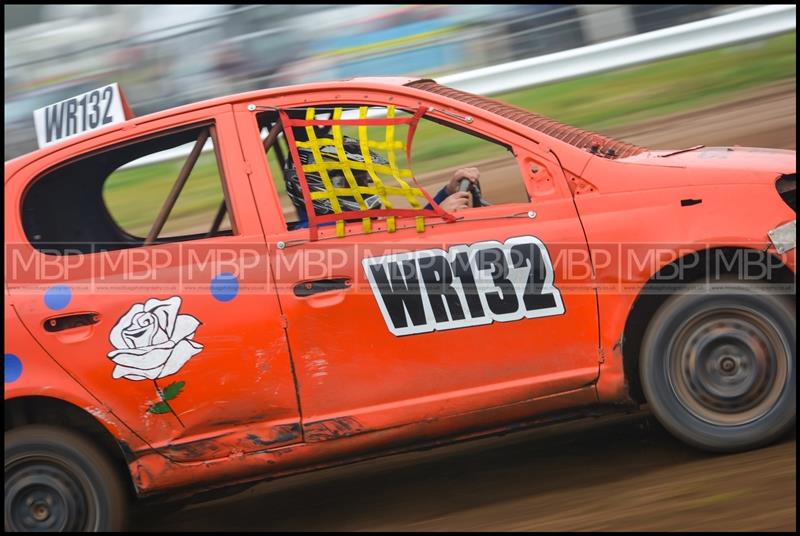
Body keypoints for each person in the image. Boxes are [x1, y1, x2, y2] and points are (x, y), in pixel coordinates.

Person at [283, 135, 482, 229]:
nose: (364, 187)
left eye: (362, 179)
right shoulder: (321, 232)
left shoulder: (344, 223)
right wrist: (437, 218)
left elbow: (404, 231)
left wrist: (447, 192)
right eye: (355, 180)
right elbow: (403, 244)